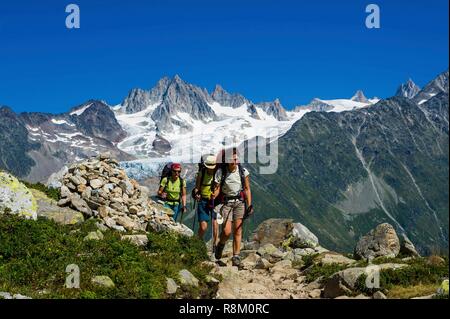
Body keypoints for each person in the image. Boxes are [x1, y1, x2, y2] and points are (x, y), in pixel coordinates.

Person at [212, 149, 254, 267]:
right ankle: (221, 244)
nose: (235, 161)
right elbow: (217, 188)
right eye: (232, 159)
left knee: (238, 230)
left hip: (239, 203)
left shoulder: (243, 172)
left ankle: (236, 256)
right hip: (226, 203)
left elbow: (247, 188)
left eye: (236, 159)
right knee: (226, 231)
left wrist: (249, 205)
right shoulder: (221, 172)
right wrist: (213, 197)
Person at [192, 155, 219, 244]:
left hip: (214, 201)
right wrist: (197, 194)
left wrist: (215, 195)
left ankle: (215, 245)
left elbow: (218, 188)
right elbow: (197, 188)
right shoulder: (201, 173)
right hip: (203, 201)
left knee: (215, 224)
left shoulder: (217, 174)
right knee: (203, 227)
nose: (210, 169)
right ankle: (197, 241)